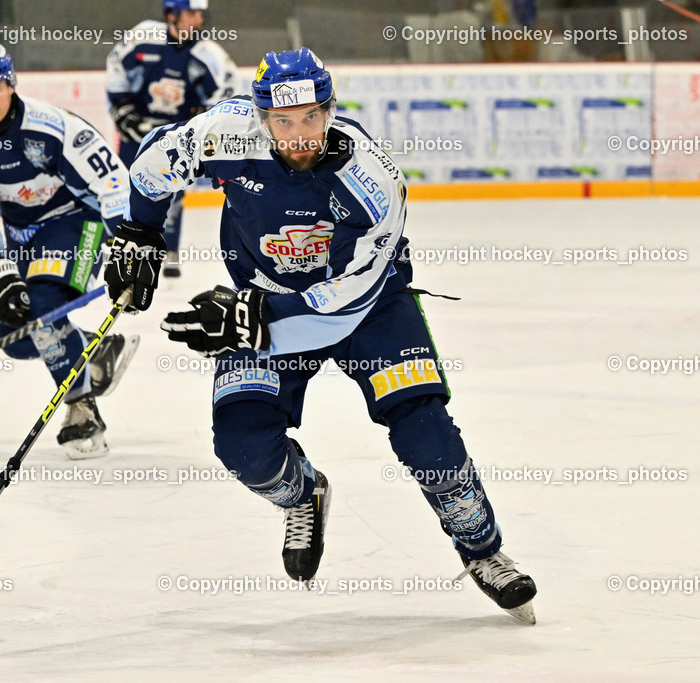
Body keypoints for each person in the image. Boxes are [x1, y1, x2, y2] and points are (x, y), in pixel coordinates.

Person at [103, 48, 538, 622]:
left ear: (330, 109)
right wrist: (138, 233)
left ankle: (484, 551)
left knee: (424, 434)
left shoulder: (370, 174)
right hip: (264, 299)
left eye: (312, 117)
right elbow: (158, 159)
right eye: (283, 121)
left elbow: (352, 293)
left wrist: (253, 313)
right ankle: (304, 492)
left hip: (369, 308)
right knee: (244, 449)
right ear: (261, 117)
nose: (299, 134)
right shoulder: (227, 132)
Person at [0, 41, 138, 459]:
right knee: (16, 337)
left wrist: (126, 245)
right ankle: (91, 348)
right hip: (22, 238)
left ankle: (81, 408)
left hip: (76, 222)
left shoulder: (54, 127)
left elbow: (113, 182)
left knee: (44, 309)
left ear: (10, 83)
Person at [106, 0, 238, 277]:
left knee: (172, 194)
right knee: (123, 188)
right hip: (136, 134)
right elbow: (116, 66)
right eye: (191, 13)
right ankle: (122, 245)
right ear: (172, 14)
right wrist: (123, 109)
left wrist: (203, 121)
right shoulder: (143, 38)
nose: (198, 20)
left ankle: (170, 251)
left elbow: (224, 97)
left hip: (175, 136)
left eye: (201, 14)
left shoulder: (209, 55)